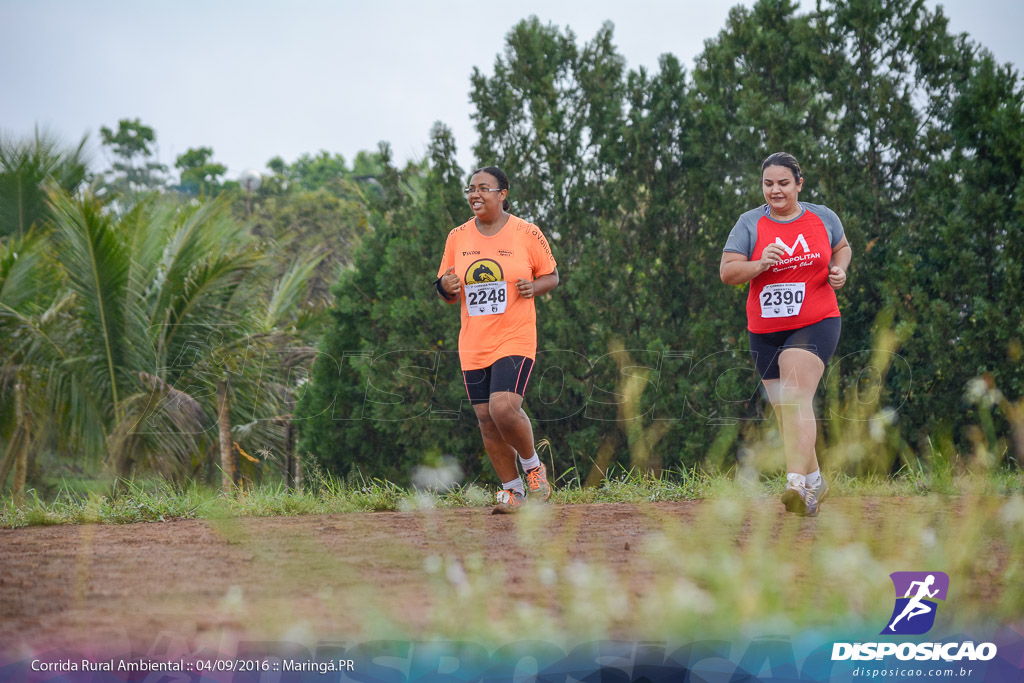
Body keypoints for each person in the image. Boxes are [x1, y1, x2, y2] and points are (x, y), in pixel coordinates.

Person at [720, 152, 852, 516]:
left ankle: (795, 482)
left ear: (798, 184)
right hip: (764, 329)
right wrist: (760, 263)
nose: (775, 190)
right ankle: (815, 484)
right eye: (768, 184)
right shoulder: (749, 224)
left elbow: (842, 248)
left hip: (817, 319)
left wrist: (839, 270)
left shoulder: (822, 217)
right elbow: (728, 272)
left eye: (783, 183)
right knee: (786, 412)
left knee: (795, 396)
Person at [435, 166, 559, 513]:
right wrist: (446, 287)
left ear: (502, 194)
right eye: (471, 189)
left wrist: (533, 287)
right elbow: (444, 287)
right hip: (474, 342)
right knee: (486, 419)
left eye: (484, 188)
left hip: (515, 336)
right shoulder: (457, 236)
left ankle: (533, 468)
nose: (475, 194)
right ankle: (513, 491)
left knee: (503, 408)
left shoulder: (526, 233)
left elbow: (552, 275)